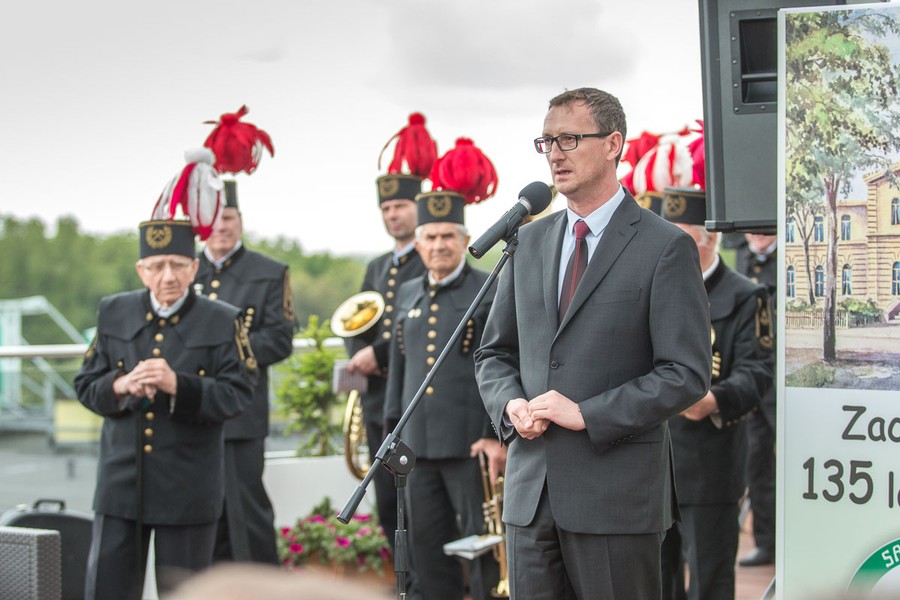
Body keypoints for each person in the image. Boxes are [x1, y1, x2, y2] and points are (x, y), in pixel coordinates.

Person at [474, 87, 712, 600]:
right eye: (547, 141)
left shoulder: (665, 246)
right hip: (530, 497)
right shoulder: (527, 242)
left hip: (616, 500)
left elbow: (686, 374)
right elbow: (493, 353)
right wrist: (510, 404)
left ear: (612, 144)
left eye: (569, 139)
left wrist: (588, 414)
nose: (554, 154)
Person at [74, 218, 256, 600]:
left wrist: (179, 385)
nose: (168, 276)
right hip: (121, 483)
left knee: (185, 593)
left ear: (194, 267)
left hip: (188, 486)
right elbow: (85, 385)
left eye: (178, 264)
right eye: (157, 266)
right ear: (142, 271)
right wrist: (121, 384)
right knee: (106, 588)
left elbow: (238, 395)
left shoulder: (224, 319)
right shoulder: (113, 311)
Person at [384, 188, 503, 600]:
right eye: (430, 237)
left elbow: (503, 365)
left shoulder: (489, 288)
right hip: (416, 447)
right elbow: (399, 368)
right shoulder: (408, 293)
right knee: (427, 549)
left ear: (465, 240)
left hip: (471, 445)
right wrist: (392, 434)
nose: (439, 245)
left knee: (483, 549)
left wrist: (493, 434)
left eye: (448, 236)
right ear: (418, 244)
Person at [656, 188, 774, 600]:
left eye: (682, 238)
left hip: (710, 462)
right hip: (652, 463)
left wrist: (714, 400)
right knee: (654, 582)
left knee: (710, 581)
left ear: (710, 240)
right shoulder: (649, 287)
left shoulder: (745, 295)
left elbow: (758, 372)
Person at [194, 181, 296, 564]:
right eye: (214, 218)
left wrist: (223, 351)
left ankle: (262, 586)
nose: (222, 226)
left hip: (241, 415)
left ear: (240, 220)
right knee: (201, 514)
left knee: (246, 512)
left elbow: (279, 341)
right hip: (190, 411)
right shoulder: (184, 271)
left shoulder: (268, 272)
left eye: (229, 217)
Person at [345, 172, 426, 548]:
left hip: (413, 398)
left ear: (417, 207)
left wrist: (377, 354)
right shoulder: (376, 267)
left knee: (417, 508)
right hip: (378, 399)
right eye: (386, 208)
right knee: (385, 505)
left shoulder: (428, 260)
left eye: (400, 206)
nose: (393, 215)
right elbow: (355, 322)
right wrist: (359, 356)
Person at [735, 232, 778, 567]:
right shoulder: (741, 256)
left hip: (784, 378)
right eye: (752, 230)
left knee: (798, 462)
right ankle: (768, 542)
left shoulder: (791, 253)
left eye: (764, 228)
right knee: (756, 463)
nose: (758, 236)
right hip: (752, 377)